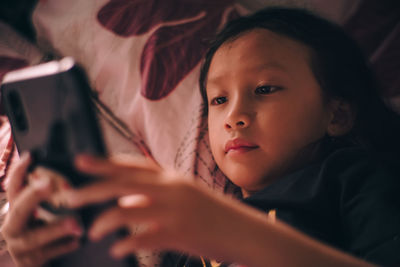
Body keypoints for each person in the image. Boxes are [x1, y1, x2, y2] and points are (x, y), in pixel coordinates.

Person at [2, 7, 400, 267]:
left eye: (265, 89)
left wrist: (231, 231)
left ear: (337, 113)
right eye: (219, 99)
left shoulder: (351, 180)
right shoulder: (182, 239)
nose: (235, 117)